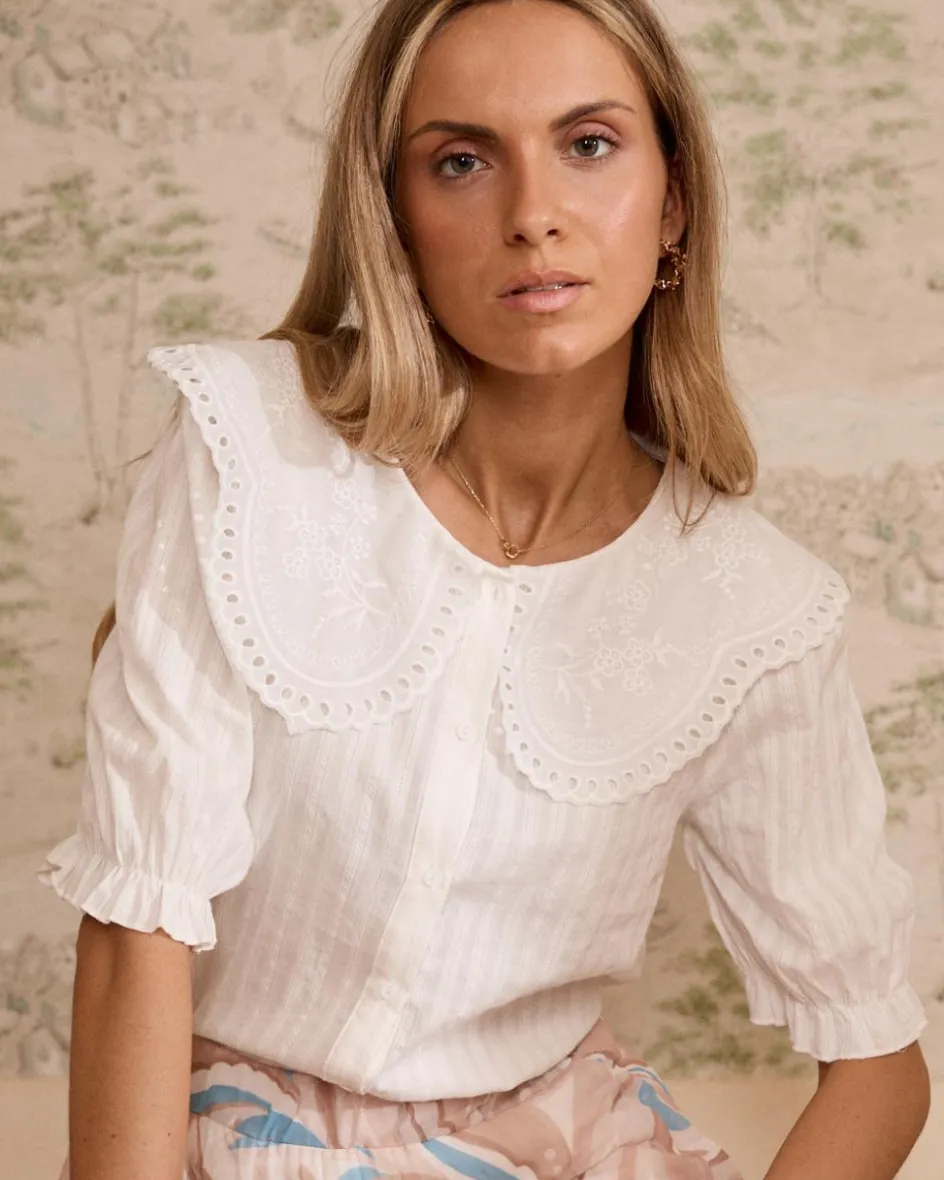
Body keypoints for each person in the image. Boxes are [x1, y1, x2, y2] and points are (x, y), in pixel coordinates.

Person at [41, 0, 930, 1177]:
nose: (531, 216)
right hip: (241, 1130)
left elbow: (879, 1063)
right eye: (460, 161)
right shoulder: (246, 452)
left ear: (671, 205)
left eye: (589, 145)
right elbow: (136, 928)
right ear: (395, 219)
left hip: (572, 1139)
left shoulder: (756, 609)